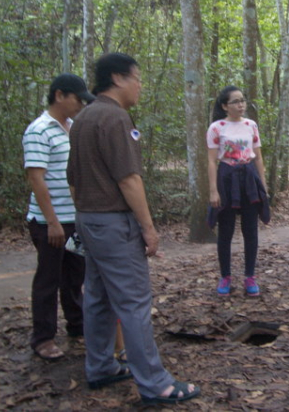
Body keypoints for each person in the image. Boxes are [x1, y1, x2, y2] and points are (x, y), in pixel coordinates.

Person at [67, 53, 199, 405]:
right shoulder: (114, 117)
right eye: (137, 77)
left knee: (97, 297)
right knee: (134, 302)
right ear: (118, 78)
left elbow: (73, 180)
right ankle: (156, 384)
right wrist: (148, 228)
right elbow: (128, 179)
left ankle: (101, 367)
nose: (140, 84)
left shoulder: (82, 118)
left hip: (88, 219)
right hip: (113, 222)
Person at [23, 73, 94, 361]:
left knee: (75, 277)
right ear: (60, 95)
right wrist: (51, 221)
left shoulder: (74, 127)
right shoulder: (39, 130)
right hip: (49, 221)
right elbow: (36, 178)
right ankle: (43, 338)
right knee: (48, 280)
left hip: (75, 218)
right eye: (77, 99)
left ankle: (77, 326)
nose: (80, 105)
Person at [206, 86, 270, 297]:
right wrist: (213, 191)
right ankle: (225, 277)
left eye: (242, 100)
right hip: (226, 177)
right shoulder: (217, 127)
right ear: (225, 106)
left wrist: (263, 185)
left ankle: (249, 277)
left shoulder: (251, 125)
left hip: (249, 178)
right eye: (235, 101)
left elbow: (258, 157)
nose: (241, 104)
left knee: (250, 230)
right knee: (225, 231)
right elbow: (212, 161)